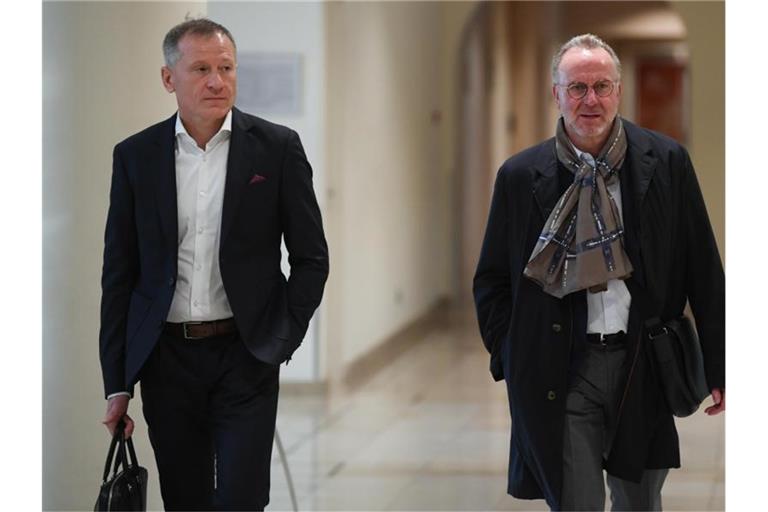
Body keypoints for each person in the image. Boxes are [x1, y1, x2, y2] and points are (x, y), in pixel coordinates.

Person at [473, 33, 724, 511]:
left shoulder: (666, 162)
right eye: (577, 88)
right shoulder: (521, 176)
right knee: (575, 502)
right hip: (563, 368)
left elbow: (704, 269)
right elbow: (491, 280)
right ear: (557, 94)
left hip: (643, 362)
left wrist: (720, 364)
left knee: (639, 503)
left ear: (619, 91)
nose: (591, 100)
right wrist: (511, 349)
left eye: (602, 86)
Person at [98, 18, 329, 511]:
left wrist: (280, 338)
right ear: (169, 79)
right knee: (186, 499)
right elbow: (119, 275)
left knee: (244, 499)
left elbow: (312, 258)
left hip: (245, 356)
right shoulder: (136, 157)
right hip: (166, 361)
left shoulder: (277, 148)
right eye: (201, 68)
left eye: (225, 67)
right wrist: (117, 383)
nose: (216, 81)